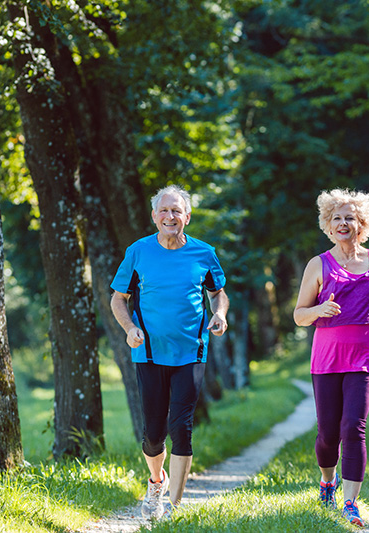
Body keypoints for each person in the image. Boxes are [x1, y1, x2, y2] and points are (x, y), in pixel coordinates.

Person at [110, 184, 229, 520]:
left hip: (191, 352)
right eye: (164, 210)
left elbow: (218, 293)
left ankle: (174, 508)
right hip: (149, 353)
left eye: (176, 210)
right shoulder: (138, 252)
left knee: (181, 426)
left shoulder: (204, 253)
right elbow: (118, 299)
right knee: (153, 434)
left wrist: (220, 314)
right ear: (154, 216)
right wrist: (129, 328)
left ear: (187, 217)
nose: (170, 216)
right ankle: (155, 480)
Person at [293, 188, 369, 528]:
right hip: (327, 360)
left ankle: (350, 504)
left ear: (363, 224)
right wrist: (317, 310)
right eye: (337, 218)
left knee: (353, 428)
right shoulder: (318, 264)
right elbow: (299, 315)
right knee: (328, 434)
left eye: (350, 218)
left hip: (365, 358)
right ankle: (327, 482)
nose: (343, 223)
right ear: (327, 225)